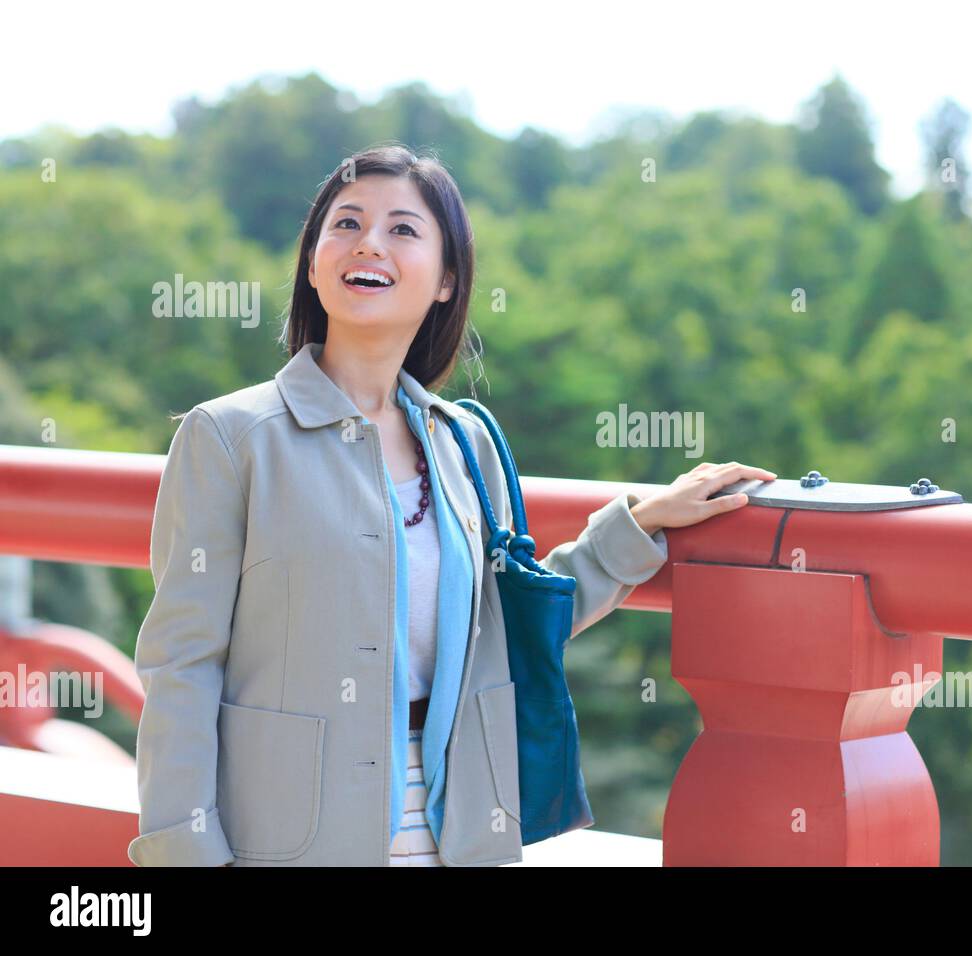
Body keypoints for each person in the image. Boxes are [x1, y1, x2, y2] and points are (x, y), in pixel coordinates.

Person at [127, 144, 776, 866]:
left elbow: (506, 627)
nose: (369, 242)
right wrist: (185, 854)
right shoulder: (230, 437)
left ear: (445, 281)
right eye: (345, 224)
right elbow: (181, 664)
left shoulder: (464, 443)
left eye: (403, 229)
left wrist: (641, 524)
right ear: (313, 265)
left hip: (459, 831)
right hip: (287, 839)